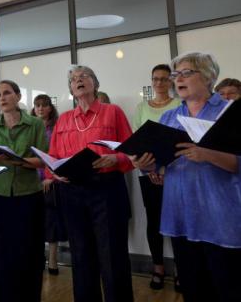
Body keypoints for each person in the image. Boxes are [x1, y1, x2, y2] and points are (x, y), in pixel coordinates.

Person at [131, 52, 241, 302]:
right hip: (181, 215)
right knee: (193, 290)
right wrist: (146, 165)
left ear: (208, 76)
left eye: (186, 73)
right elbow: (159, 165)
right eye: (175, 74)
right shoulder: (169, 117)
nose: (177, 79)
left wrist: (207, 154)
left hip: (220, 219)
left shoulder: (228, 112)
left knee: (228, 290)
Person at [46, 65, 134, 302]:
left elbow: (132, 152)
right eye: (73, 79)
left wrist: (115, 158)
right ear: (71, 90)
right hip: (72, 191)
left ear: (95, 83)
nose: (78, 80)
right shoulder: (63, 119)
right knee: (81, 256)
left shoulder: (113, 111)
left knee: (112, 256)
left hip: (107, 187)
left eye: (84, 76)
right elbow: (52, 157)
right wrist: (55, 173)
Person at [0, 80, 48, 302]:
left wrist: (17, 161)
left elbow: (42, 161)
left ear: (18, 97)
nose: (2, 98)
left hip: (29, 195)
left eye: (7, 93)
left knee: (29, 252)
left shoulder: (35, 124)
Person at [132, 64, 181, 290]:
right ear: (151, 82)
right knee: (155, 222)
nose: (159, 83)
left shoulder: (180, 105)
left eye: (164, 79)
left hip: (176, 174)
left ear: (171, 81)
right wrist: (150, 170)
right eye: (156, 79)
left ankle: (182, 269)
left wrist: (163, 170)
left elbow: (183, 142)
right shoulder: (141, 108)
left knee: (179, 222)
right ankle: (158, 267)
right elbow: (134, 146)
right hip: (147, 174)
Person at [31, 94, 67, 276]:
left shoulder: (57, 126)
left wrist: (50, 177)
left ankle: (53, 261)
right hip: (31, 181)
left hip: (50, 180)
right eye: (37, 105)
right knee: (34, 222)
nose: (40, 108)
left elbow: (58, 154)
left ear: (50, 108)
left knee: (51, 221)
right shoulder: (30, 127)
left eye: (44, 105)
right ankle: (37, 259)